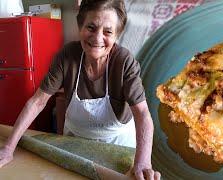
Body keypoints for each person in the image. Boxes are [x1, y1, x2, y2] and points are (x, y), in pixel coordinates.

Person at [0, 0, 161, 179]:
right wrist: (8, 148)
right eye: (91, 28)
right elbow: (37, 102)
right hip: (75, 142)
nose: (97, 38)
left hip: (117, 145)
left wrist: (142, 162)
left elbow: (142, 114)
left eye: (107, 31)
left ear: (117, 35)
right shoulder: (66, 57)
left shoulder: (124, 62)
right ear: (80, 26)